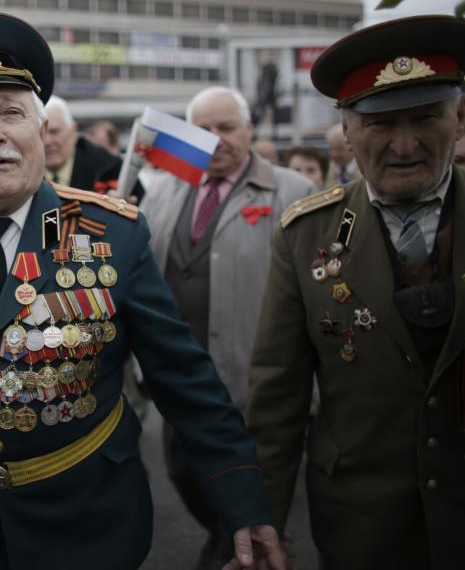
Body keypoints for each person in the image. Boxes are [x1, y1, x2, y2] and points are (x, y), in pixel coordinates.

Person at [0, 11, 284, 570]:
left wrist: (243, 503)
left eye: (13, 114)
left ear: (40, 132)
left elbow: (185, 381)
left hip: (92, 522)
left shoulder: (114, 234)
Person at [247, 15, 465, 568]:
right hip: (363, 525)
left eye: (425, 118)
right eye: (381, 124)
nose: (404, 145)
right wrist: (263, 521)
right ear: (347, 130)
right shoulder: (305, 233)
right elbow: (277, 399)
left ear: (459, 117)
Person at [142, 87, 313, 569]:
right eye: (204, 129)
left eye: (227, 127)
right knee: (182, 474)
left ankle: (230, 545)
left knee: (250, 487)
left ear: (250, 130)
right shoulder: (163, 191)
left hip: (255, 386)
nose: (216, 140)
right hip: (180, 384)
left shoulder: (293, 191)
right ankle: (226, 536)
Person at [44, 96, 142, 199]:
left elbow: (143, 208)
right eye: (40, 133)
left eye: (54, 132)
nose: (47, 141)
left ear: (73, 131)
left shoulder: (112, 170)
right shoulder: (26, 175)